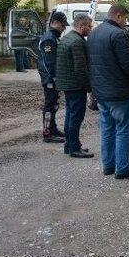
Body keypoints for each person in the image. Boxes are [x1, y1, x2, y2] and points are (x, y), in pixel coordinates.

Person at [88, 4, 129, 179]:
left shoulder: (93, 33)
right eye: (125, 18)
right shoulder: (118, 35)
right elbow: (127, 64)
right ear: (118, 16)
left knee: (107, 129)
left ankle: (108, 166)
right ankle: (122, 169)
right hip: (119, 93)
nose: (125, 22)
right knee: (124, 129)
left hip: (101, 92)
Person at [56, 14, 94, 158]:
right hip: (76, 86)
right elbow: (80, 69)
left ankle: (70, 145)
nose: (90, 29)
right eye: (89, 26)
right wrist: (89, 87)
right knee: (76, 117)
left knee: (70, 116)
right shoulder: (78, 42)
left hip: (67, 85)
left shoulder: (67, 38)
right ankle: (74, 148)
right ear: (82, 26)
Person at [38, 12, 68, 143]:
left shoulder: (54, 37)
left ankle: (53, 128)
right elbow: (49, 62)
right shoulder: (49, 38)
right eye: (62, 25)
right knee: (49, 106)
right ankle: (47, 133)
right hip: (50, 79)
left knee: (54, 104)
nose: (64, 28)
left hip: (54, 78)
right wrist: (54, 78)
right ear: (55, 23)